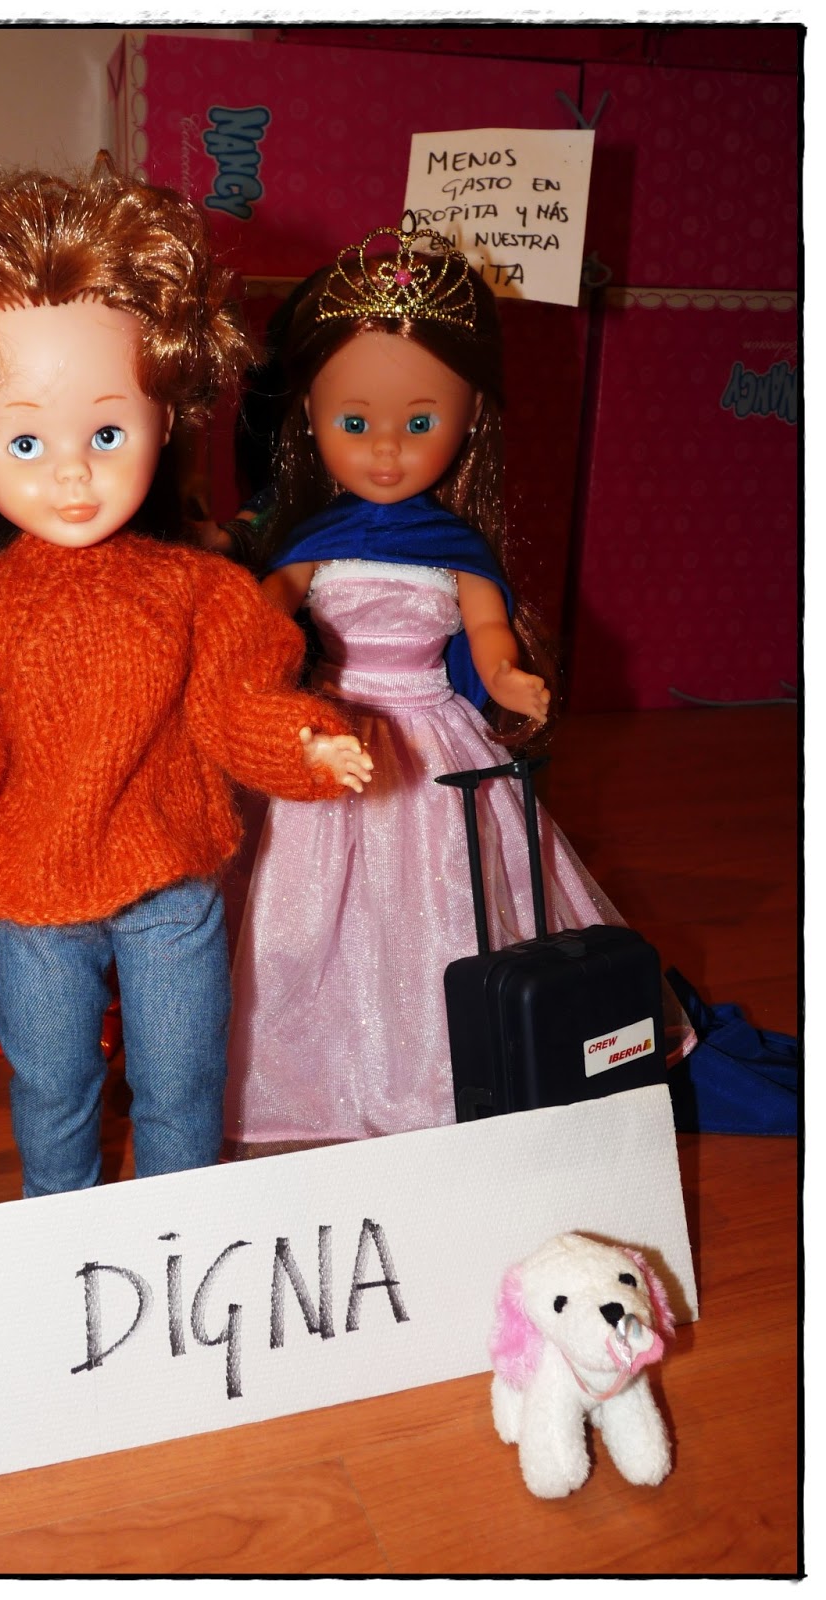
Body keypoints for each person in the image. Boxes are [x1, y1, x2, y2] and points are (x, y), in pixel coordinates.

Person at [0, 155, 373, 1199]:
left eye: (107, 431)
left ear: (165, 417)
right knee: (51, 1079)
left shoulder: (199, 593)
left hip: (170, 882)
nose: (72, 471)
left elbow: (236, 702)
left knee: (183, 1079)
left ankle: (180, 1225)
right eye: (25, 439)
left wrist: (301, 740)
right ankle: (59, 1225)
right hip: (35, 893)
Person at [224, 220, 690, 1153]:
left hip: (435, 739)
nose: (385, 452)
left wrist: (507, 676)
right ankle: (304, 1074)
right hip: (329, 736)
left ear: (470, 415)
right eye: (353, 424)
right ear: (308, 414)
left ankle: (452, 1067)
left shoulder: (456, 549)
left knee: (449, 897)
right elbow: (262, 608)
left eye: (419, 423)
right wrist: (234, 644)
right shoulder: (311, 543)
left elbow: (485, 632)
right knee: (302, 905)